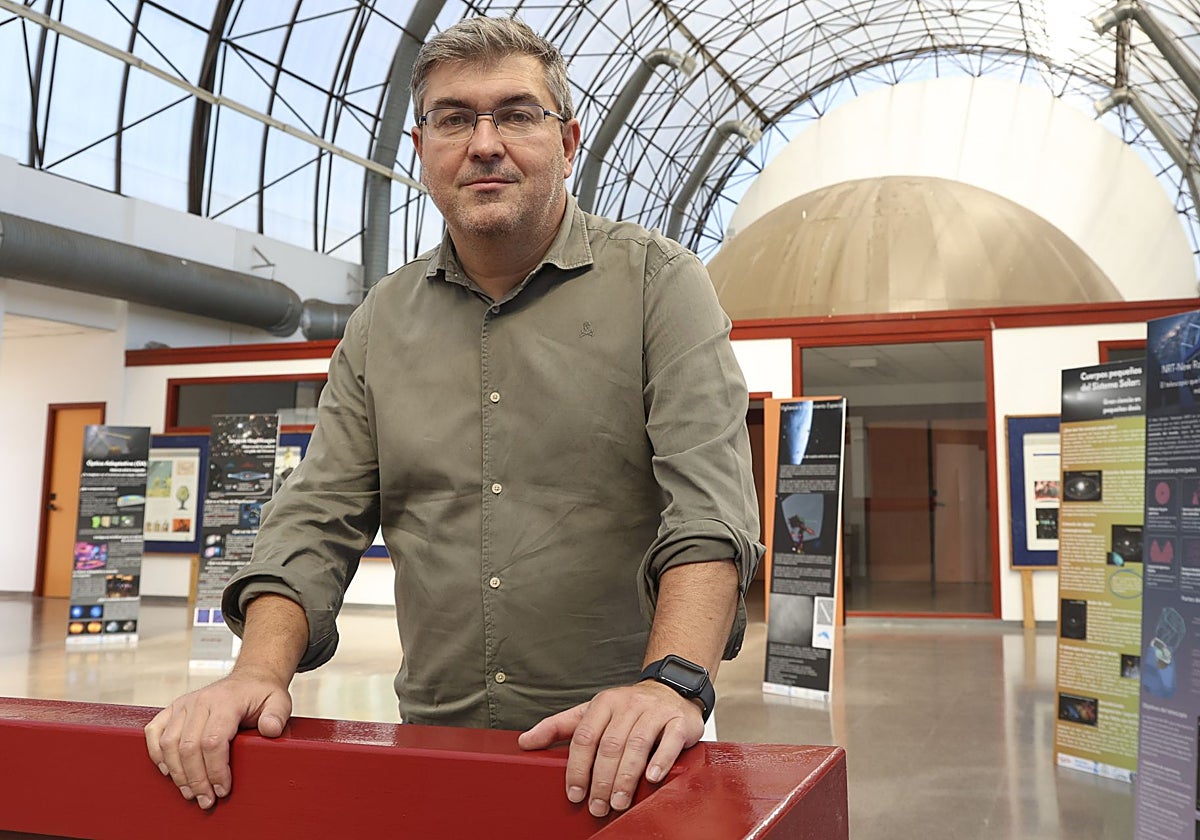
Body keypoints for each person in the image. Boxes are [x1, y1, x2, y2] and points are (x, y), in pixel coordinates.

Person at [144, 16, 763, 820]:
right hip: (437, 746)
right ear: (420, 147)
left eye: (515, 113)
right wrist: (256, 671)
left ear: (568, 140)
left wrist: (671, 681)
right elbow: (316, 515)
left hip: (630, 744)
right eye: (453, 118)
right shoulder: (379, 323)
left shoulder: (660, 285)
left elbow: (709, 511)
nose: (484, 143)